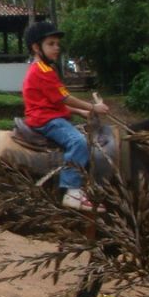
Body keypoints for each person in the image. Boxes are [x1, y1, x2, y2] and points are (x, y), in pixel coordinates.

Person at [21, 21, 109, 211]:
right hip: (46, 120)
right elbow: (64, 97)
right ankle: (72, 191)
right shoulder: (40, 71)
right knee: (78, 142)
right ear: (36, 47)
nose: (56, 48)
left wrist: (81, 112)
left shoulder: (47, 70)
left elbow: (57, 101)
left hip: (52, 116)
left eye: (57, 44)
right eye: (51, 44)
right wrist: (93, 108)